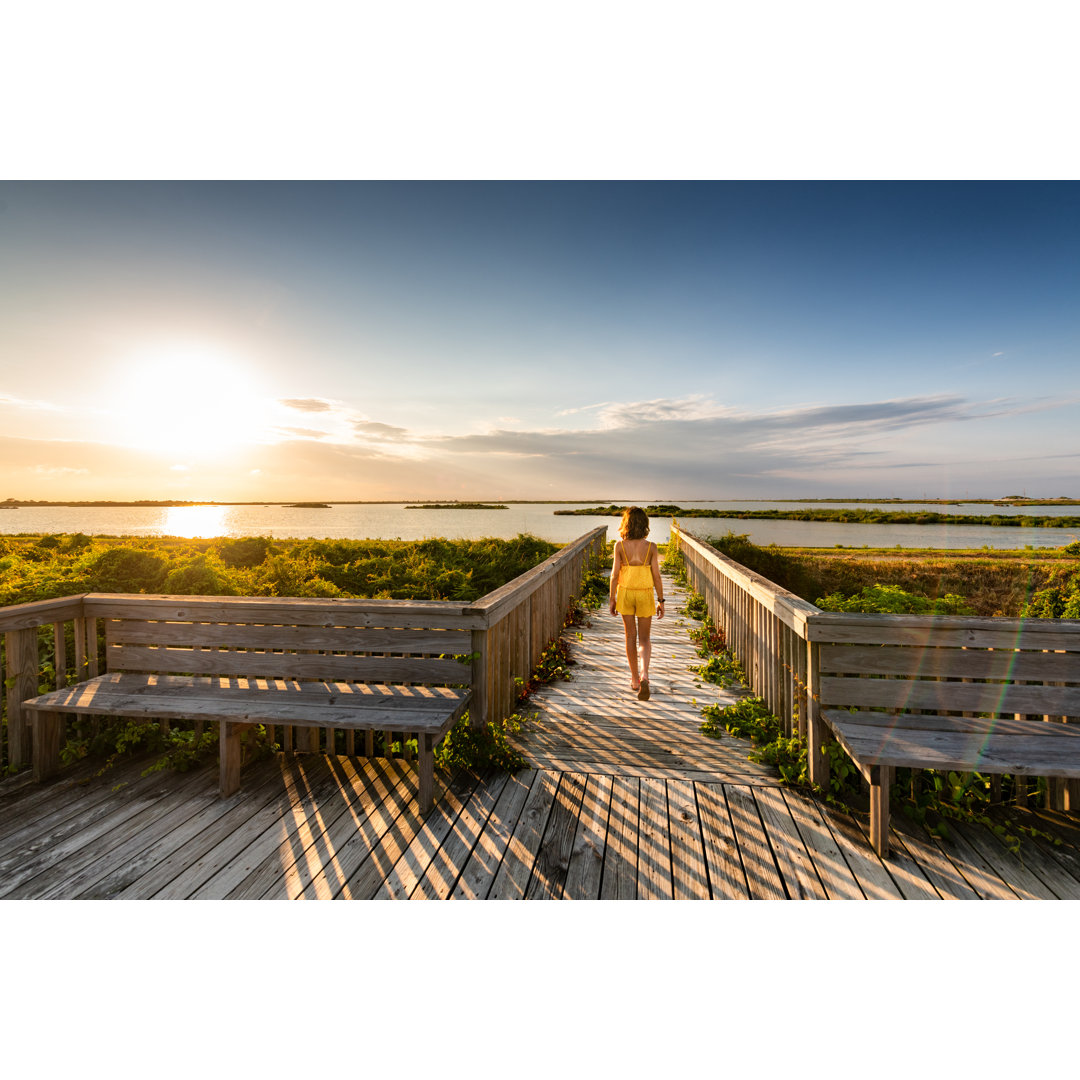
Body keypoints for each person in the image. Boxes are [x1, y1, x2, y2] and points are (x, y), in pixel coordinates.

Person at [608, 506, 666, 700]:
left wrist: (612, 599)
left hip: (625, 594)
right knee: (644, 639)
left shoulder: (619, 546)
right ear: (645, 524)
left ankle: (634, 679)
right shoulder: (651, 547)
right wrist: (661, 600)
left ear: (626, 523)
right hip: (645, 595)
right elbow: (657, 576)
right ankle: (645, 674)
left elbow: (614, 575)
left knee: (630, 636)